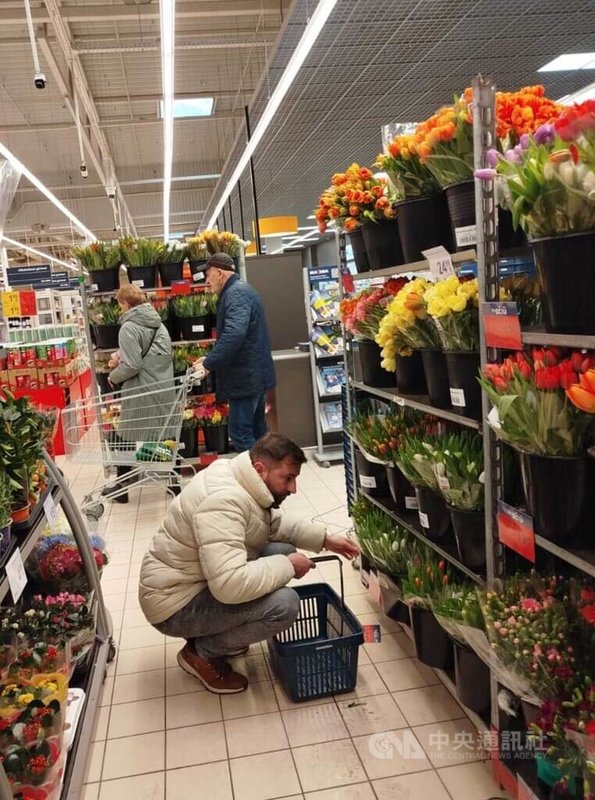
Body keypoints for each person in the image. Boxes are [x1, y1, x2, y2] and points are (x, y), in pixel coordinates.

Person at [138, 433, 359, 694]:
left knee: (282, 549)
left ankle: (220, 635)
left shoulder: (238, 476)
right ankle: (200, 653)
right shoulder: (224, 501)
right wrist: (287, 566)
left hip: (190, 581)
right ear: (260, 469)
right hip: (174, 605)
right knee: (284, 605)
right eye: (287, 478)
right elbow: (229, 586)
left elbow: (269, 525)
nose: (293, 489)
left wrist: (324, 539)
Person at [198, 252, 275, 453]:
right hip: (251, 375)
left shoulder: (236, 294)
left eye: (209, 275)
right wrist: (210, 358)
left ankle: (256, 478)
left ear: (220, 273)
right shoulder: (241, 291)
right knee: (258, 432)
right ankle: (267, 479)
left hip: (245, 378)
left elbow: (234, 333)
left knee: (240, 433)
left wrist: (208, 364)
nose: (207, 281)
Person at [107, 284, 175, 503]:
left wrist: (113, 375)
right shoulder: (159, 324)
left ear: (125, 304)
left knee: (123, 437)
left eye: (120, 305)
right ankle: (173, 480)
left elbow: (133, 365)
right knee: (164, 434)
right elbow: (156, 355)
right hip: (163, 387)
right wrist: (123, 356)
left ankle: (122, 487)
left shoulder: (128, 327)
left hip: (141, 390)